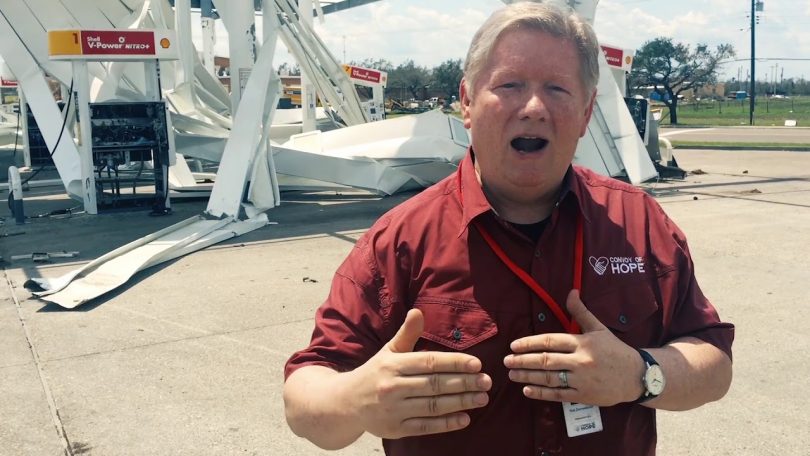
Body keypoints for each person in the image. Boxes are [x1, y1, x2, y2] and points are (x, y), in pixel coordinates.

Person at [283, 2, 734, 455]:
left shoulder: (638, 223)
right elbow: (305, 401)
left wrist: (641, 373)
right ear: (467, 102)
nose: (534, 107)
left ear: (585, 113)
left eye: (557, 88)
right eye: (510, 85)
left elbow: (714, 363)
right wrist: (355, 400)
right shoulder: (401, 240)